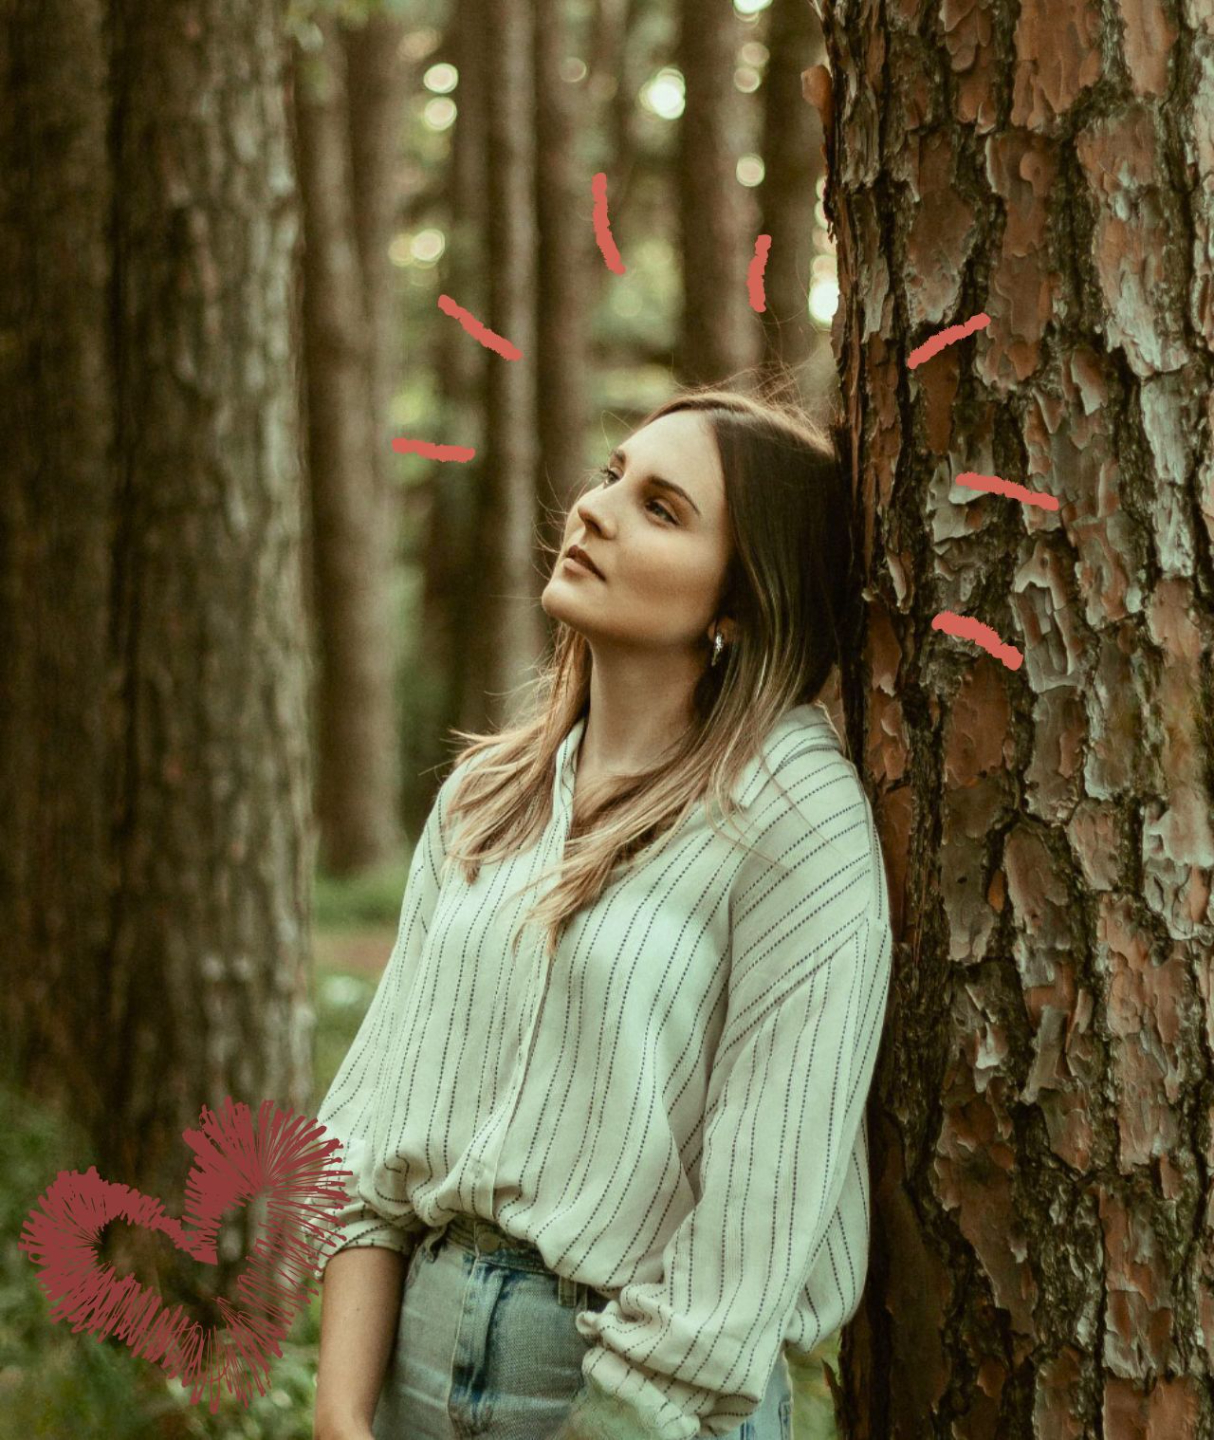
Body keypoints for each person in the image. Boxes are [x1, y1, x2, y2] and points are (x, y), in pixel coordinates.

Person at [311, 383, 894, 1440]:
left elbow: (755, 1227)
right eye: (611, 475)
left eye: (661, 508)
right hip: (409, 1370)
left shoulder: (795, 823)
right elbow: (366, 1153)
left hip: (638, 1399)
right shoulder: (485, 799)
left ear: (737, 599)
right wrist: (343, 1416)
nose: (593, 509)